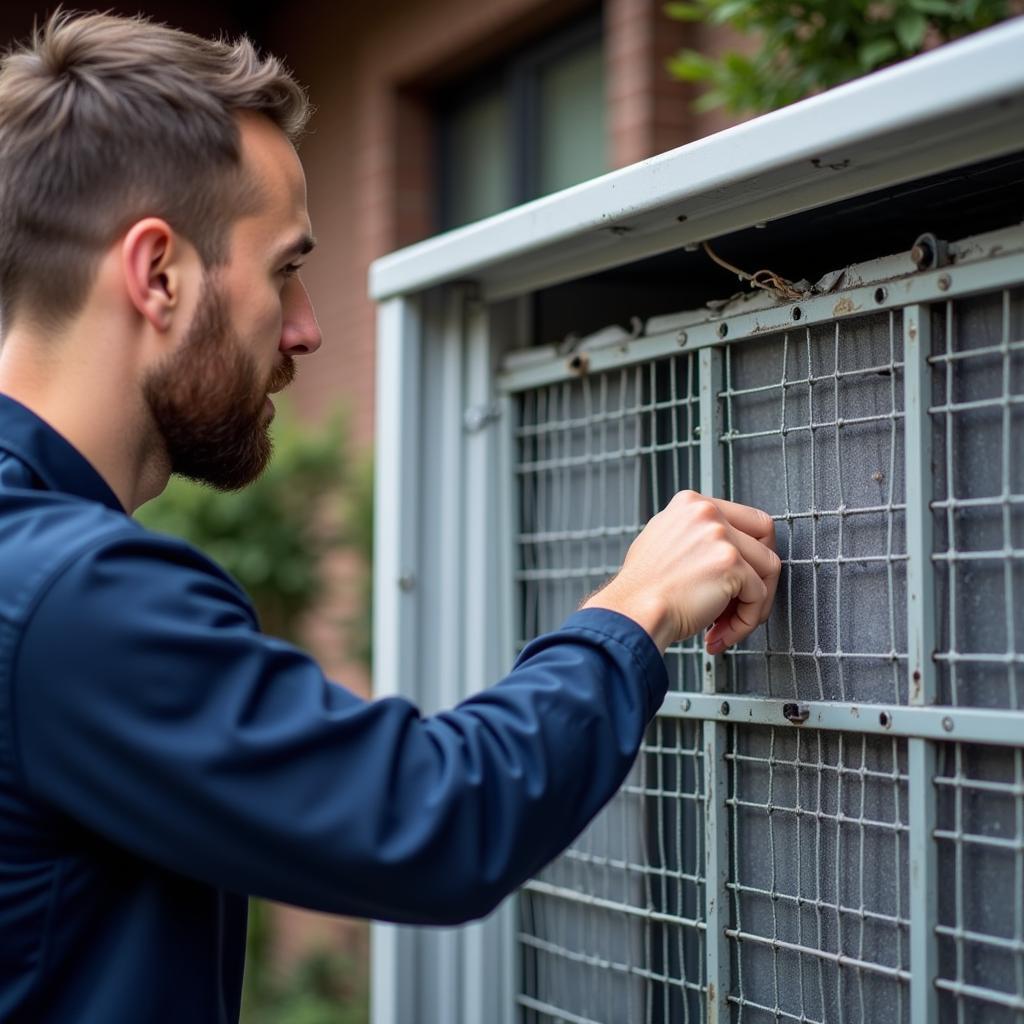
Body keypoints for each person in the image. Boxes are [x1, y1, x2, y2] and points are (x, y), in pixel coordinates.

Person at [0, 11, 780, 1022]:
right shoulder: (70, 595)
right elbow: (433, 817)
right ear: (158, 274)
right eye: (284, 268)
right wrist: (635, 608)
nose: (307, 328)